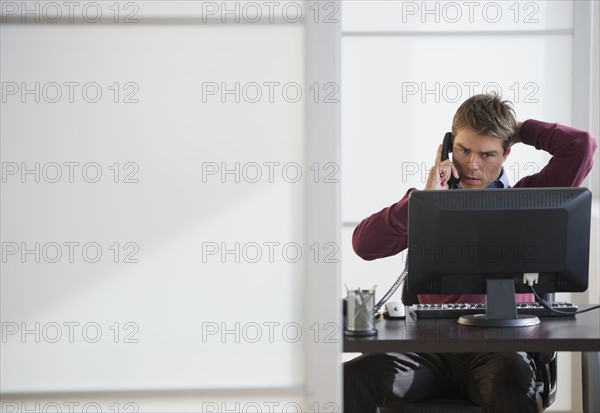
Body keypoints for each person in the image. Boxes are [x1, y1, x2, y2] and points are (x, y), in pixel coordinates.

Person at [345, 93, 597, 413]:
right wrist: (423, 201)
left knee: (510, 391)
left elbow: (582, 146)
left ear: (507, 152)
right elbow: (363, 245)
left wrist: (519, 129)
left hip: (498, 349)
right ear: (449, 146)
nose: (473, 165)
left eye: (488, 153)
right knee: (350, 380)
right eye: (463, 150)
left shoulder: (530, 197)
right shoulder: (426, 204)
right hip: (428, 350)